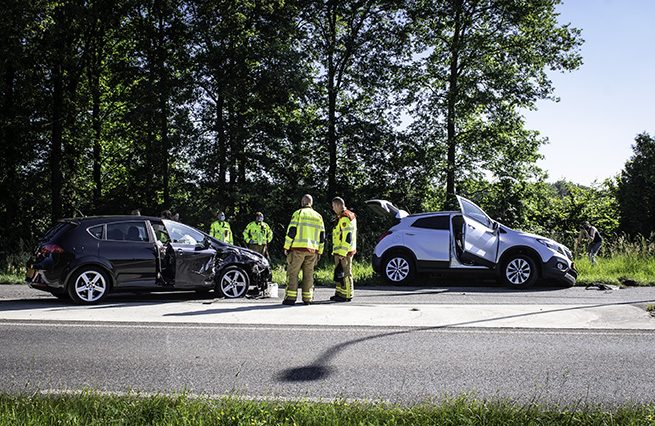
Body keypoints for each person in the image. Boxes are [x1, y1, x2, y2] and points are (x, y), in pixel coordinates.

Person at [282, 194, 325, 305]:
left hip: (297, 249)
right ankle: (308, 298)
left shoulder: (298, 213)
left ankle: (290, 298)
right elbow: (322, 237)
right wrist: (320, 251)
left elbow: (292, 231)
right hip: (312, 251)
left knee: (293, 273)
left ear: (302, 203)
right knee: (309, 275)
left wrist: (286, 247)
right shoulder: (318, 216)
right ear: (311, 203)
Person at [330, 197, 357, 302]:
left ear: (337, 205)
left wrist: (342, 252)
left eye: (333, 206)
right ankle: (339, 293)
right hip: (340, 251)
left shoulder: (345, 218)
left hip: (344, 251)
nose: (333, 209)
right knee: (339, 273)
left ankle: (347, 295)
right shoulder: (344, 217)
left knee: (345, 273)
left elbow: (347, 236)